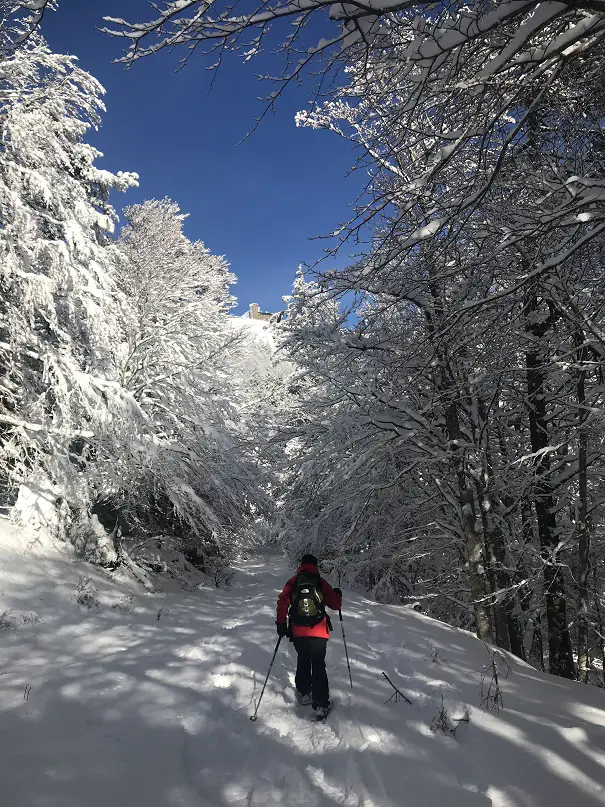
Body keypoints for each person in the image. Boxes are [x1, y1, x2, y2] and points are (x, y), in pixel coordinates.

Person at [276, 553, 342, 719]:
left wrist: (281, 623)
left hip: (298, 631)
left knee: (303, 658)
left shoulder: (293, 581)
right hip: (319, 631)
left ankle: (304, 692)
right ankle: (321, 704)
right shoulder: (320, 582)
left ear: (301, 564)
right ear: (316, 565)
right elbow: (335, 604)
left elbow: (283, 601)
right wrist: (337, 594)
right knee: (318, 664)